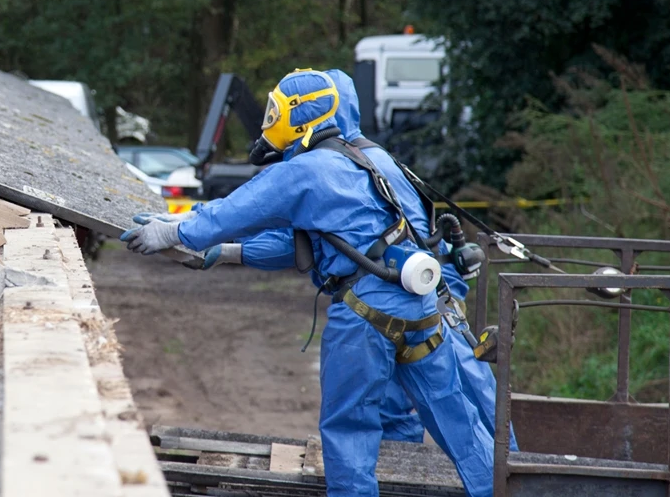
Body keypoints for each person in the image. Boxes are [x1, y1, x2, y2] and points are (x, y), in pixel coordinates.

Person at [122, 68, 494, 497]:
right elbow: (309, 244)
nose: (268, 124)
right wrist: (228, 253)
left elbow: (229, 213)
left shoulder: (306, 171)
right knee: (460, 427)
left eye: (275, 113)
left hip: (363, 317)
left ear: (301, 116)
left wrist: (173, 231)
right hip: (423, 309)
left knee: (349, 429)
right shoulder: (375, 160)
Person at [163, 69, 516, 450]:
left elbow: (318, 241)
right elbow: (311, 243)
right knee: (437, 423)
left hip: (423, 297)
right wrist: (234, 251)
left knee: (462, 417)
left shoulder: (350, 164)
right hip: (416, 297)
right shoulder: (352, 162)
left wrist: (200, 234)